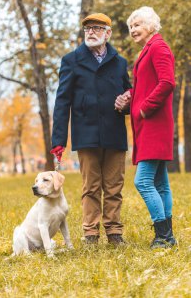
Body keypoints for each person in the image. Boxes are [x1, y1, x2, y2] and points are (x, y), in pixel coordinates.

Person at [51, 13, 131, 245]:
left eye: (97, 28)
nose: (91, 32)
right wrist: (58, 140)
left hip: (114, 133)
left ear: (108, 33)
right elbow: (62, 101)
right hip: (86, 134)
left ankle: (114, 232)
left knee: (114, 186)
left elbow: (128, 96)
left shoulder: (120, 62)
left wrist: (126, 104)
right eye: (87, 29)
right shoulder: (71, 60)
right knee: (91, 187)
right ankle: (90, 234)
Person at [115, 6, 177, 249]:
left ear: (151, 25)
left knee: (142, 181)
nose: (133, 30)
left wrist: (145, 108)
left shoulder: (159, 47)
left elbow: (167, 82)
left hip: (155, 124)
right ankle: (167, 236)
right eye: (131, 26)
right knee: (160, 183)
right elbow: (147, 84)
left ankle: (163, 235)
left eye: (138, 24)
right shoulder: (146, 51)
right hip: (147, 125)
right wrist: (131, 96)